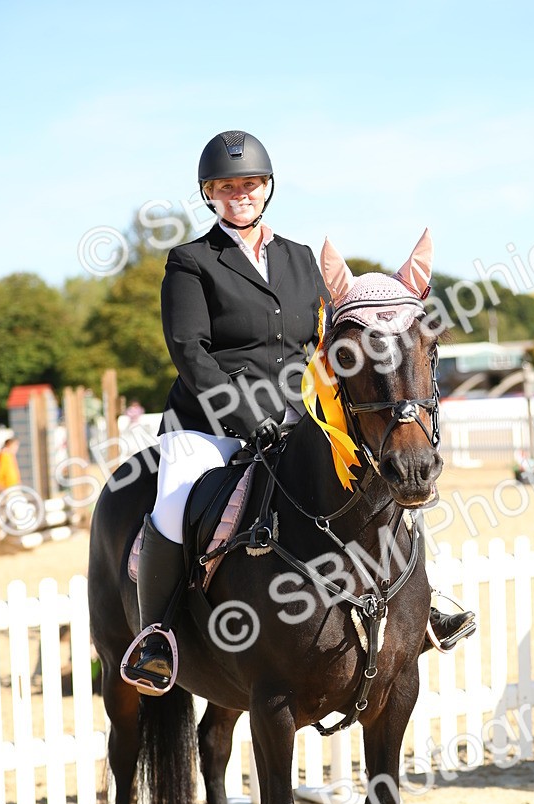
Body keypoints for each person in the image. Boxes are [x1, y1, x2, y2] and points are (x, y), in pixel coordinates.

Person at [123, 129, 473, 694]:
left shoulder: (300, 258)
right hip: (209, 422)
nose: (240, 193)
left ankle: (422, 603)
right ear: (209, 194)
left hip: (295, 413)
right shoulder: (190, 261)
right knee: (173, 504)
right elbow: (190, 351)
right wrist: (242, 413)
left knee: (378, 478)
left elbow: (324, 341)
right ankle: (158, 635)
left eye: (250, 183)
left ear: (267, 189)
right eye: (226, 185)